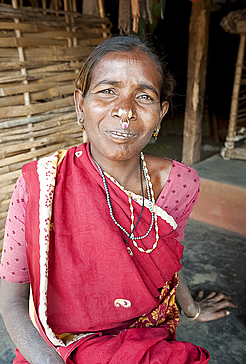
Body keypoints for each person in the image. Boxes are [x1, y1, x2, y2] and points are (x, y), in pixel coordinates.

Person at [0, 35, 236, 364]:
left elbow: (167, 259)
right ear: (80, 104)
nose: (124, 111)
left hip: (147, 333)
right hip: (62, 343)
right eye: (108, 91)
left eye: (144, 96)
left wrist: (191, 308)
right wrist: (48, 360)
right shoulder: (40, 184)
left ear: (161, 112)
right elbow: (10, 302)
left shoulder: (179, 183)